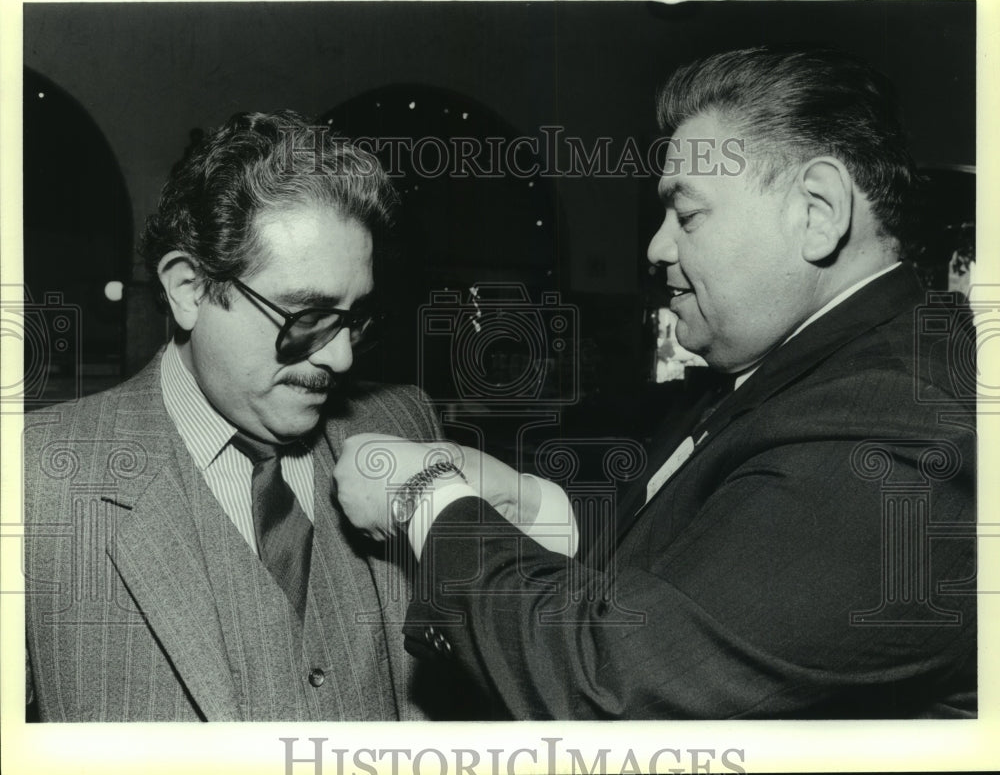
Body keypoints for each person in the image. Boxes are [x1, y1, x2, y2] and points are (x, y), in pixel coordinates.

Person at [333, 46, 977, 719]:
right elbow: (703, 553)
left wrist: (424, 499)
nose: (657, 247)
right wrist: (534, 506)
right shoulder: (813, 367)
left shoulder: (892, 423)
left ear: (817, 211)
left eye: (687, 214)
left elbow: (613, 683)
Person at [23, 111, 451, 721]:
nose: (341, 354)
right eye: (306, 315)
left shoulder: (404, 423)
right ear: (188, 289)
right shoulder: (35, 481)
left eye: (355, 317)